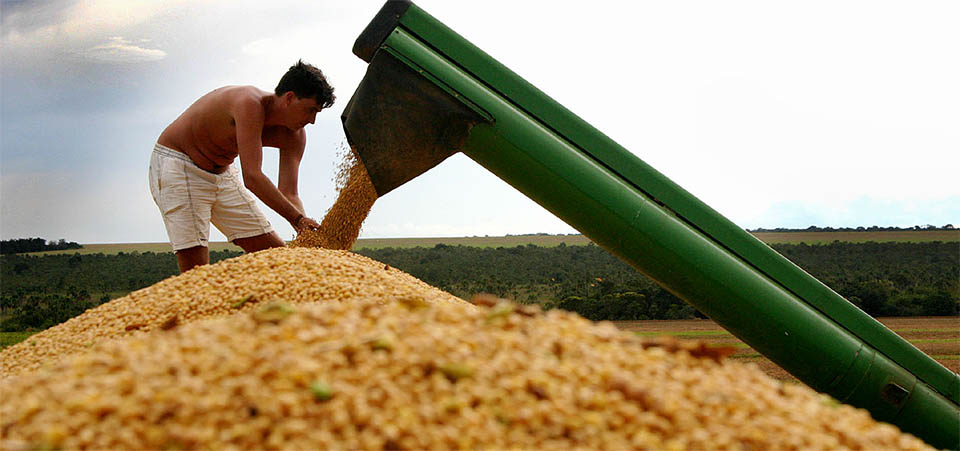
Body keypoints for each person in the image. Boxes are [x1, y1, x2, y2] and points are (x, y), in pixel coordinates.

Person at [149, 60, 334, 273]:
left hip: (222, 172)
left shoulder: (296, 136)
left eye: (317, 113)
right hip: (180, 166)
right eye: (310, 110)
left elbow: (289, 192)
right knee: (196, 272)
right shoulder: (249, 104)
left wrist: (305, 230)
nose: (312, 121)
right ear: (289, 98)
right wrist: (298, 219)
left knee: (276, 258)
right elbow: (253, 177)